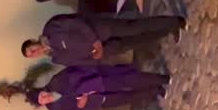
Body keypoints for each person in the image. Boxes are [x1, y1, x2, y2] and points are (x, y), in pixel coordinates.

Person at [23, 14, 187, 67]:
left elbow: (77, 23)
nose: (35, 53)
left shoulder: (51, 28)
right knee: (138, 41)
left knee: (135, 27)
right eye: (33, 55)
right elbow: (78, 61)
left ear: (33, 42)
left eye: (32, 50)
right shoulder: (56, 58)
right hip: (106, 49)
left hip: (102, 30)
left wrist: (95, 41)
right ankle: (167, 30)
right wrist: (95, 57)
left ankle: (173, 21)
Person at [28, 66, 169, 110]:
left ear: (42, 90)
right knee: (128, 98)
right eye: (43, 102)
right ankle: (155, 90)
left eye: (42, 96)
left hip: (97, 84)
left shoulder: (56, 81)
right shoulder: (55, 109)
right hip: (97, 102)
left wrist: (81, 93)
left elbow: (75, 74)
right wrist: (81, 106)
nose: (46, 99)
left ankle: (161, 79)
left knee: (127, 81)